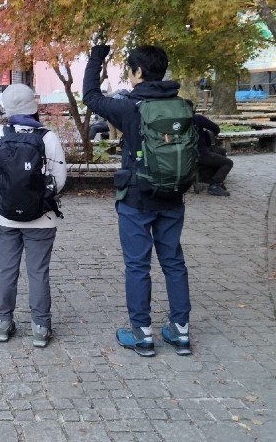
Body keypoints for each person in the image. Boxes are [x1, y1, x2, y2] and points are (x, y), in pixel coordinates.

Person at [83, 44, 192, 357]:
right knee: (173, 262)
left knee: (137, 265)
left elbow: (90, 95)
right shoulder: (183, 106)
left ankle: (142, 334)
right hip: (173, 196)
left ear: (139, 72)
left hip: (136, 198)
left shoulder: (129, 107)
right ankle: (180, 331)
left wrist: (97, 57)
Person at [0, 75, 67, 346]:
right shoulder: (48, 137)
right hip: (42, 218)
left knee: (7, 269)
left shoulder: (1, 134)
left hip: (6, 217)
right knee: (38, 271)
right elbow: (60, 179)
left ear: (7, 109)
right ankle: (40, 327)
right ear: (33, 106)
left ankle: (2, 323)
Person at [194, 114, 233, 196]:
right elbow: (216, 129)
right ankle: (214, 185)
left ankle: (206, 177)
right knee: (228, 163)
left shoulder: (172, 120)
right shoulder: (197, 118)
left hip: (180, 155)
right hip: (199, 154)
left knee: (221, 151)